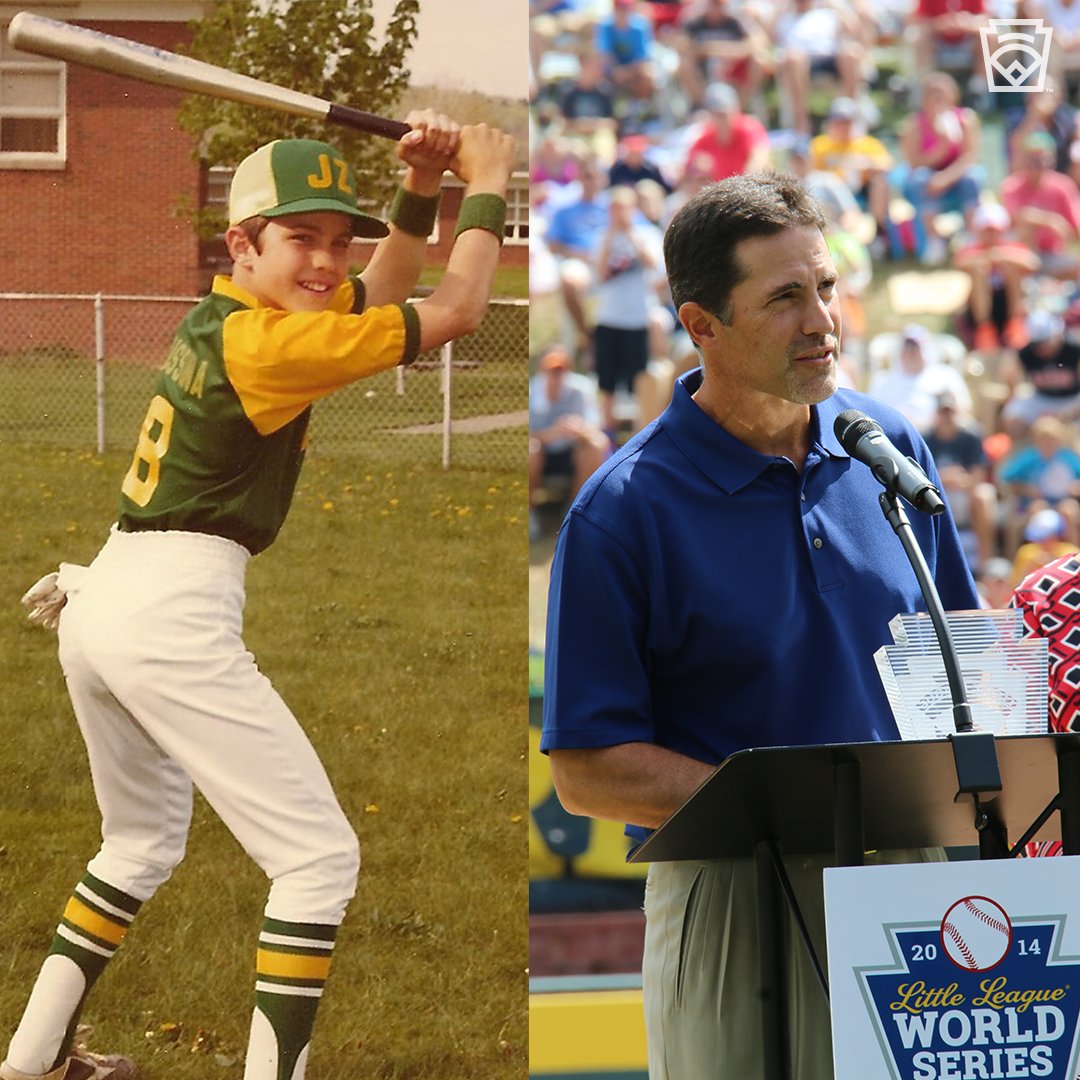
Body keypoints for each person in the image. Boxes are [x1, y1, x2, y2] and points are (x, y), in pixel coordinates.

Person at [4, 118, 515, 1080]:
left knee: (140, 840)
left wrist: (416, 187)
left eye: (338, 237)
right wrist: (483, 187)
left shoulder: (242, 319)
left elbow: (381, 289)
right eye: (299, 239)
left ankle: (31, 1062)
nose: (327, 261)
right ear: (241, 244)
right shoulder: (272, 346)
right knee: (318, 860)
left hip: (108, 598)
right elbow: (450, 312)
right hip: (168, 613)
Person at [541, 171, 978, 1080]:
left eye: (824, 286)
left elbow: (964, 663)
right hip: (737, 894)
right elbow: (587, 769)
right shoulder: (621, 511)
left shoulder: (889, 447)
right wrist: (793, 809)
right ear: (702, 325)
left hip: (921, 883)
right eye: (785, 298)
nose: (822, 319)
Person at [894, 71, 984, 265]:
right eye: (933, 94)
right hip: (927, 179)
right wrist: (942, 146)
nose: (939, 99)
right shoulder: (913, 124)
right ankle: (934, 240)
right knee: (921, 179)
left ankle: (971, 237)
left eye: (943, 93)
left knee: (972, 179)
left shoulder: (966, 119)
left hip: (956, 177)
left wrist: (945, 178)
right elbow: (914, 163)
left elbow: (969, 157)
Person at [529, 347, 611, 536]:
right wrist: (549, 434)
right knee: (530, 449)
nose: (557, 375)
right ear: (543, 371)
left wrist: (578, 429)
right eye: (552, 370)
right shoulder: (532, 391)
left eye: (561, 370)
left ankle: (575, 511)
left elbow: (597, 432)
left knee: (595, 446)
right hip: (542, 454)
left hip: (572, 452)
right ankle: (529, 512)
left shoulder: (582, 389)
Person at [951, 202, 1038, 352]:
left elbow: (1032, 263)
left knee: (1011, 268)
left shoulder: (1011, 248)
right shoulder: (973, 249)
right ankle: (985, 328)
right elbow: (959, 262)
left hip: (1007, 303)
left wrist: (1001, 257)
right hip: (980, 305)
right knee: (979, 270)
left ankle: (1014, 323)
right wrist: (986, 258)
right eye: (987, 231)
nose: (991, 235)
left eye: (994, 231)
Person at [1000, 130, 1080, 281]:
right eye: (1032, 159)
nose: (1037, 164)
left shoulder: (1063, 186)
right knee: (1027, 225)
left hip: (1054, 256)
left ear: (1052, 160)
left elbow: (1075, 227)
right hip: (1019, 257)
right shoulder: (1011, 186)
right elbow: (1017, 217)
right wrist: (1049, 220)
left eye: (1042, 159)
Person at [866, 323, 973, 433]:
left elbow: (964, 409)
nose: (911, 352)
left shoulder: (946, 375)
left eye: (915, 348)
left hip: (936, 438)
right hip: (894, 435)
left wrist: (935, 421)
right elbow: (871, 413)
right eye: (907, 347)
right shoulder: (883, 380)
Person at [1000, 310, 1080, 437]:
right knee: (1013, 415)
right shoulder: (1027, 353)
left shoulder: (1074, 351)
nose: (1041, 348)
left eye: (1045, 342)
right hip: (1041, 398)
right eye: (1037, 344)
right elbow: (1009, 379)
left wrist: (1071, 412)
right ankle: (1026, 450)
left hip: (1071, 399)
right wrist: (1012, 395)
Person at [681, 81, 770, 183]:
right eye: (715, 114)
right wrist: (696, 171)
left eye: (723, 114)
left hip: (751, 191)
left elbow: (758, 162)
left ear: (736, 110)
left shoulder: (749, 128)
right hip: (724, 194)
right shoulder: (705, 139)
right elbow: (685, 174)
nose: (720, 121)